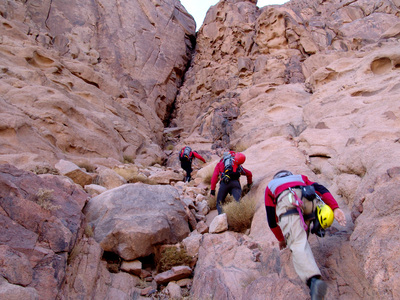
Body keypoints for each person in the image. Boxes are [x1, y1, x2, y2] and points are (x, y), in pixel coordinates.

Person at [264, 170, 346, 300]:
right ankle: (315, 225)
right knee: (302, 231)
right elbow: (320, 189)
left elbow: (271, 219)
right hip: (309, 198)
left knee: (296, 242)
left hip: (288, 201)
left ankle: (313, 280)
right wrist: (335, 208)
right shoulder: (300, 177)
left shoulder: (271, 185)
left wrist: (281, 239)